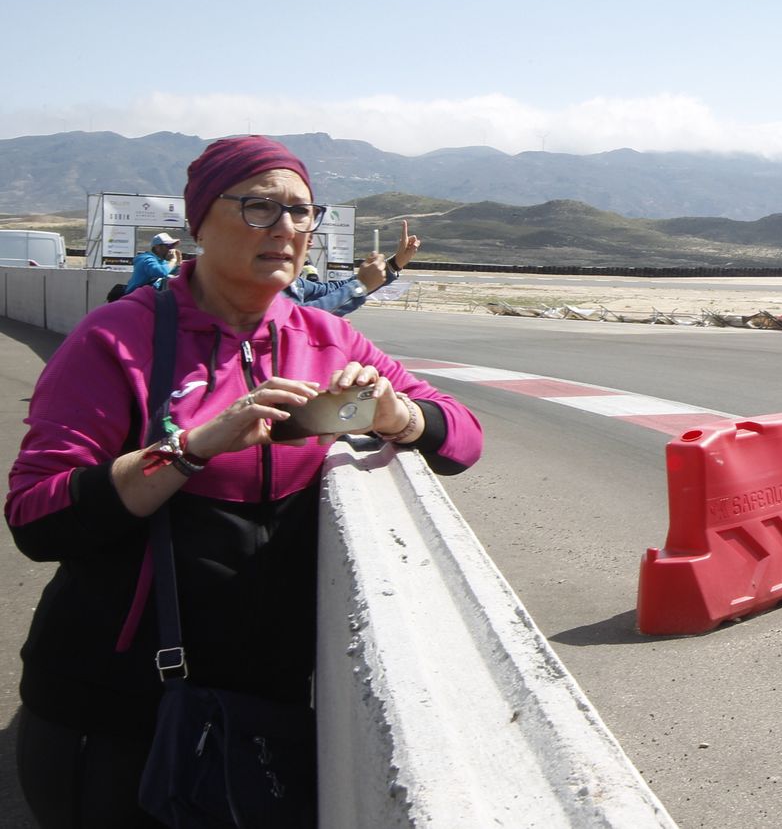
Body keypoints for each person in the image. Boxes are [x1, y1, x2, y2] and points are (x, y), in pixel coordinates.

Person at [6, 135, 483, 827]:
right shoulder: (115, 340)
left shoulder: (327, 339)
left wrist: (396, 412)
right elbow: (36, 517)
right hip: (111, 712)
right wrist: (191, 448)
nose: (287, 229)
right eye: (259, 207)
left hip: (261, 710)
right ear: (200, 220)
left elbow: (463, 438)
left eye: (300, 211)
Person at [285, 220, 423, 317]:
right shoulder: (270, 289)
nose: (311, 242)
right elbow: (302, 322)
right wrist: (361, 286)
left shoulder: (293, 284)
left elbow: (328, 291)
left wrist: (394, 264)